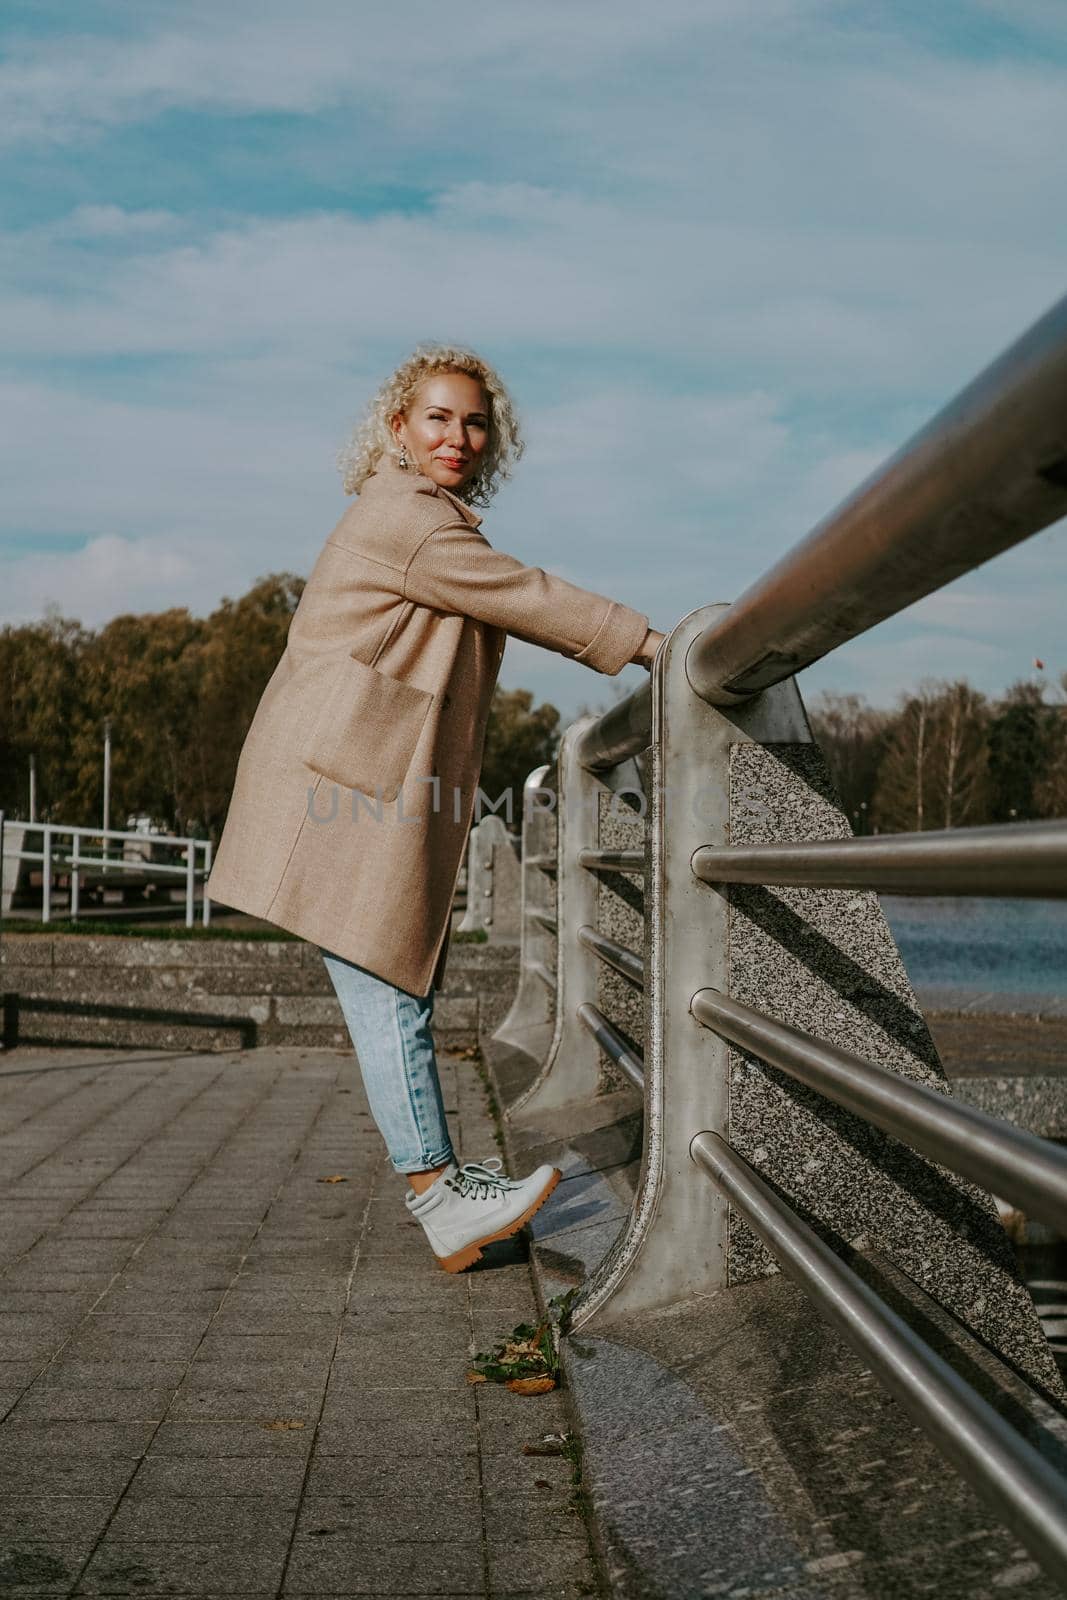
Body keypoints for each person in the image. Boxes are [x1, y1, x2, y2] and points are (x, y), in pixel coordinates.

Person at [207, 344, 666, 1272]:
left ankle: (444, 1187)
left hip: (352, 777)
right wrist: (655, 643)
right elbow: (526, 596)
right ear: (397, 429)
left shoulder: (420, 516)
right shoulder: (406, 519)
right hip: (337, 785)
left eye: (473, 421)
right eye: (437, 418)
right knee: (387, 984)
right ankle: (439, 1193)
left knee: (394, 982)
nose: (457, 437)